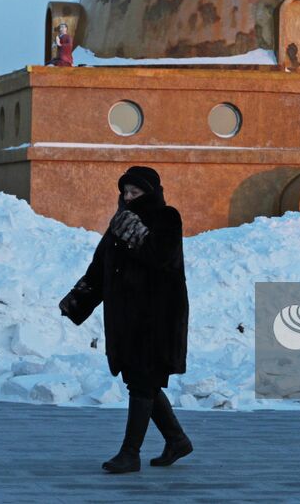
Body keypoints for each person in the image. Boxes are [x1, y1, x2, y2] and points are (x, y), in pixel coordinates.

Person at [60, 166, 192, 473]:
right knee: (140, 380)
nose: (127, 197)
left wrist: (133, 232)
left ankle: (130, 453)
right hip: (125, 317)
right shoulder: (119, 222)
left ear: (151, 193)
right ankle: (177, 439)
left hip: (157, 316)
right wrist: (78, 301)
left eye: (135, 192)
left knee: (143, 382)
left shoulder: (167, 218)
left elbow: (161, 257)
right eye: (125, 191)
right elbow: (100, 268)